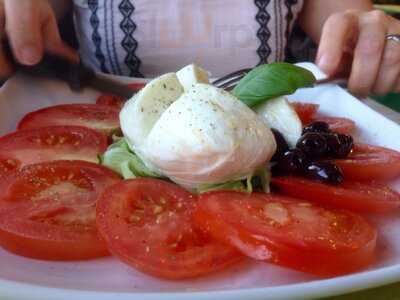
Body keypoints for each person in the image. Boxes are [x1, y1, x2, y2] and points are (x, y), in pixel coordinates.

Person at [0, 0, 399, 97]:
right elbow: (31, 16)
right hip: (98, 139)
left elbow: (352, 21)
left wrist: (381, 40)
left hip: (268, 159)